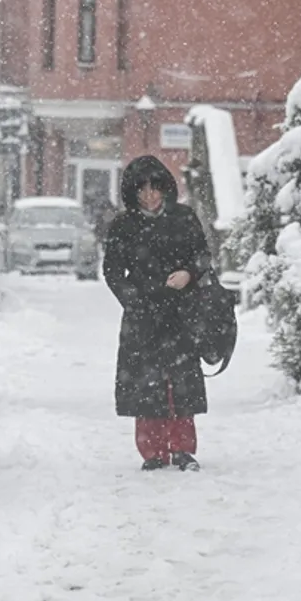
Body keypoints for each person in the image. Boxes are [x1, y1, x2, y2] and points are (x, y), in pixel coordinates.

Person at [103, 155, 212, 471]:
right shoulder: (123, 226)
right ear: (133, 193)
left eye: (155, 188)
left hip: (181, 313)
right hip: (143, 317)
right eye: (143, 190)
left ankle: (182, 449)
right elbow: (112, 270)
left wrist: (188, 275)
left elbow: (203, 257)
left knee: (180, 384)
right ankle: (152, 452)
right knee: (146, 385)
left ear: (166, 188)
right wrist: (133, 300)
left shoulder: (184, 218)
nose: (150, 196)